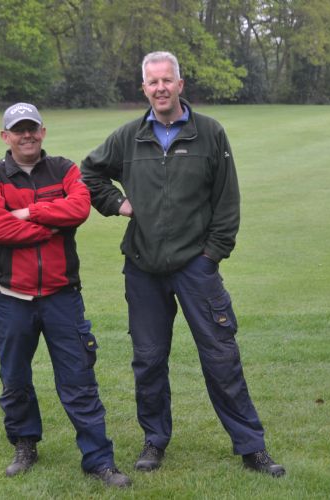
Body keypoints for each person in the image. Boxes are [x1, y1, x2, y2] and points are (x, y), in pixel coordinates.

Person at [80, 52, 285, 478]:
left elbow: (227, 202)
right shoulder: (128, 137)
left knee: (221, 355)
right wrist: (118, 204)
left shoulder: (209, 133)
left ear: (180, 84)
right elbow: (89, 173)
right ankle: (154, 440)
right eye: (152, 82)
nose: (160, 88)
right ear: (144, 89)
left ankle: (251, 447)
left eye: (166, 80)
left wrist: (212, 256)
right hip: (143, 267)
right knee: (149, 359)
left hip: (196, 266)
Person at [0, 102, 131, 488]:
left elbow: (79, 208)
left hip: (62, 295)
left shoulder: (64, 168)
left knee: (79, 380)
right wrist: (49, 225)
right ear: (5, 136)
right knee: (15, 379)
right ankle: (25, 444)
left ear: (43, 131)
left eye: (33, 128)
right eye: (18, 129)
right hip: (9, 296)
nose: (26, 135)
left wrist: (28, 213)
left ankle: (98, 460)